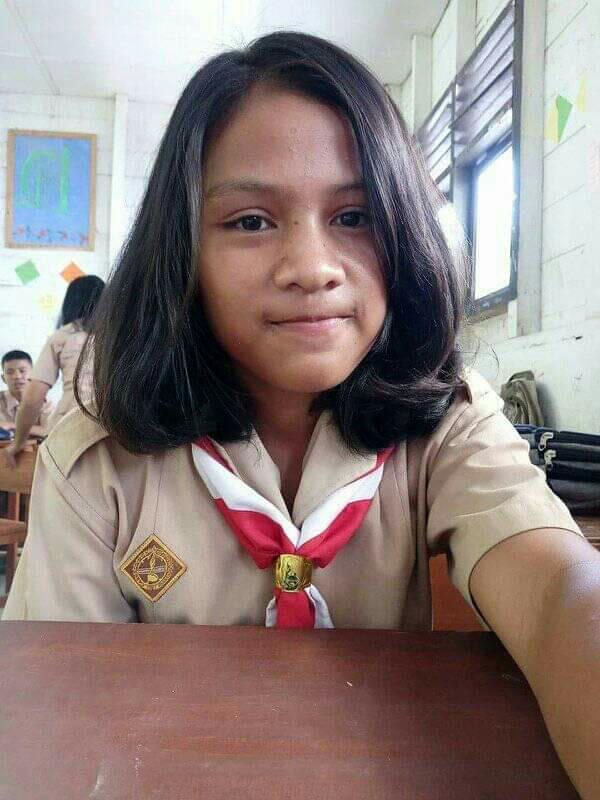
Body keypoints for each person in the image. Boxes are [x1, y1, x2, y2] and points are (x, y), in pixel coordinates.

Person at [3, 32, 599, 796]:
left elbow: (559, 594)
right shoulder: (98, 457)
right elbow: (56, 710)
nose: (312, 269)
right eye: (251, 221)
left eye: (354, 216)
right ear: (183, 250)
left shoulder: (446, 420)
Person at [2, 275, 104, 466]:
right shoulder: (123, 338)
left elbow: (32, 398)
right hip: (113, 432)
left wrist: (19, 442)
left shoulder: (63, 336)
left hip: (71, 430)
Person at [0, 350, 53, 436]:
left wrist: (13, 426)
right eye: (10, 372)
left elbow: (51, 431)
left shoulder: (44, 402)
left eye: (22, 371)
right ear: (3, 378)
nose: (17, 376)